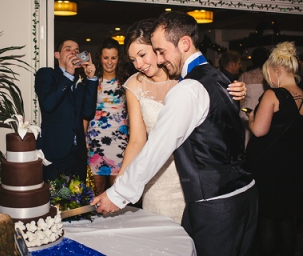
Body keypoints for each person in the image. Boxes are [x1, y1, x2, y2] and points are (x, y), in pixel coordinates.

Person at [94, 12, 257, 256]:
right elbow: (140, 141)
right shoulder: (218, 77)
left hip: (211, 199)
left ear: (183, 44)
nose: (158, 59)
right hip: (244, 194)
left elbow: (159, 144)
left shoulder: (188, 87)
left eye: (160, 51)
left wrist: (119, 193)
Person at [118, 18, 246, 224]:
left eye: (142, 55)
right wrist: (121, 181)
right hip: (157, 180)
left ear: (159, 49)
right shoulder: (134, 85)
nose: (138, 65)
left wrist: (235, 93)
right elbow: (137, 140)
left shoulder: (187, 77)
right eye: (133, 60)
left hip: (196, 177)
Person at [245, 41, 303, 256]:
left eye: (267, 73)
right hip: (295, 166)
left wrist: (251, 118)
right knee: (287, 218)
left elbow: (259, 131)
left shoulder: (273, 95)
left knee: (267, 220)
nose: (267, 78)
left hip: (269, 167)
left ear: (278, 70)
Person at [35, 38, 98, 182]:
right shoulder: (46, 74)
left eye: (77, 51)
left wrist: (91, 79)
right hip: (55, 152)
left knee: (79, 201)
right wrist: (68, 74)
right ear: (57, 55)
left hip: (77, 155)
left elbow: (88, 113)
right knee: (54, 201)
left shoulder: (79, 82)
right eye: (68, 49)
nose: (74, 53)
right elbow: (48, 104)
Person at [86, 38, 128, 195]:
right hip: (95, 141)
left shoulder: (127, 82)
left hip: (120, 141)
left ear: (119, 58)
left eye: (113, 57)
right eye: (105, 58)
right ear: (100, 58)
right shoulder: (91, 81)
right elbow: (84, 113)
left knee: (117, 191)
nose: (109, 62)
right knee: (96, 190)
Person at [239, 47, 270, 146]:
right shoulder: (270, 75)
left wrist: (243, 109)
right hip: (266, 110)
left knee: (246, 141)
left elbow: (240, 98)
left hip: (247, 110)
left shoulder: (245, 76)